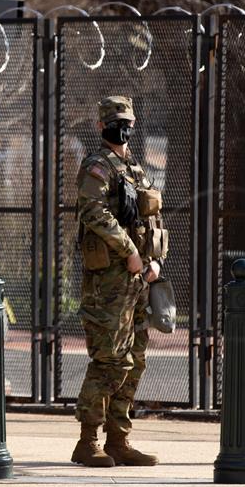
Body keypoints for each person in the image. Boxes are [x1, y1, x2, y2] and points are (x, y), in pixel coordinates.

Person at [72, 96, 167, 467]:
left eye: (125, 120)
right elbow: (92, 210)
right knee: (109, 359)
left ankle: (118, 439)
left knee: (135, 358)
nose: (121, 126)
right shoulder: (97, 166)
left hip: (138, 279)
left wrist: (153, 260)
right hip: (109, 282)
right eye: (113, 121)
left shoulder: (135, 169)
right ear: (101, 126)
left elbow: (152, 219)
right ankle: (87, 440)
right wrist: (128, 251)